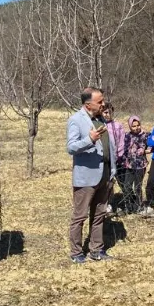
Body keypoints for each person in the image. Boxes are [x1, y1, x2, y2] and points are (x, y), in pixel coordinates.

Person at [66, 87, 118, 263]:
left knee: (99, 214)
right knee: (80, 216)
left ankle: (97, 249)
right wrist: (90, 140)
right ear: (88, 105)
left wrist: (112, 170)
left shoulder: (101, 119)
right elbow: (71, 147)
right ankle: (76, 252)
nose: (103, 104)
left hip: (104, 175)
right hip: (86, 178)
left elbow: (108, 146)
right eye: (100, 101)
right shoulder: (75, 120)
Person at [121, 116, 149, 214]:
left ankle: (138, 206)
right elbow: (123, 148)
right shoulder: (127, 135)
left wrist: (148, 149)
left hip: (140, 165)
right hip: (129, 165)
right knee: (127, 186)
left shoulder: (145, 135)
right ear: (130, 126)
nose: (136, 127)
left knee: (137, 186)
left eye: (138, 125)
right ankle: (129, 206)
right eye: (133, 126)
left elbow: (152, 144)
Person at [102, 103, 125, 214]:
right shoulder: (100, 125)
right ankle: (105, 204)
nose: (107, 115)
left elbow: (121, 142)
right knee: (106, 183)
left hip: (116, 159)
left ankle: (116, 202)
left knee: (118, 182)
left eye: (110, 112)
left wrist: (117, 156)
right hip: (105, 160)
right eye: (105, 112)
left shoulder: (118, 126)